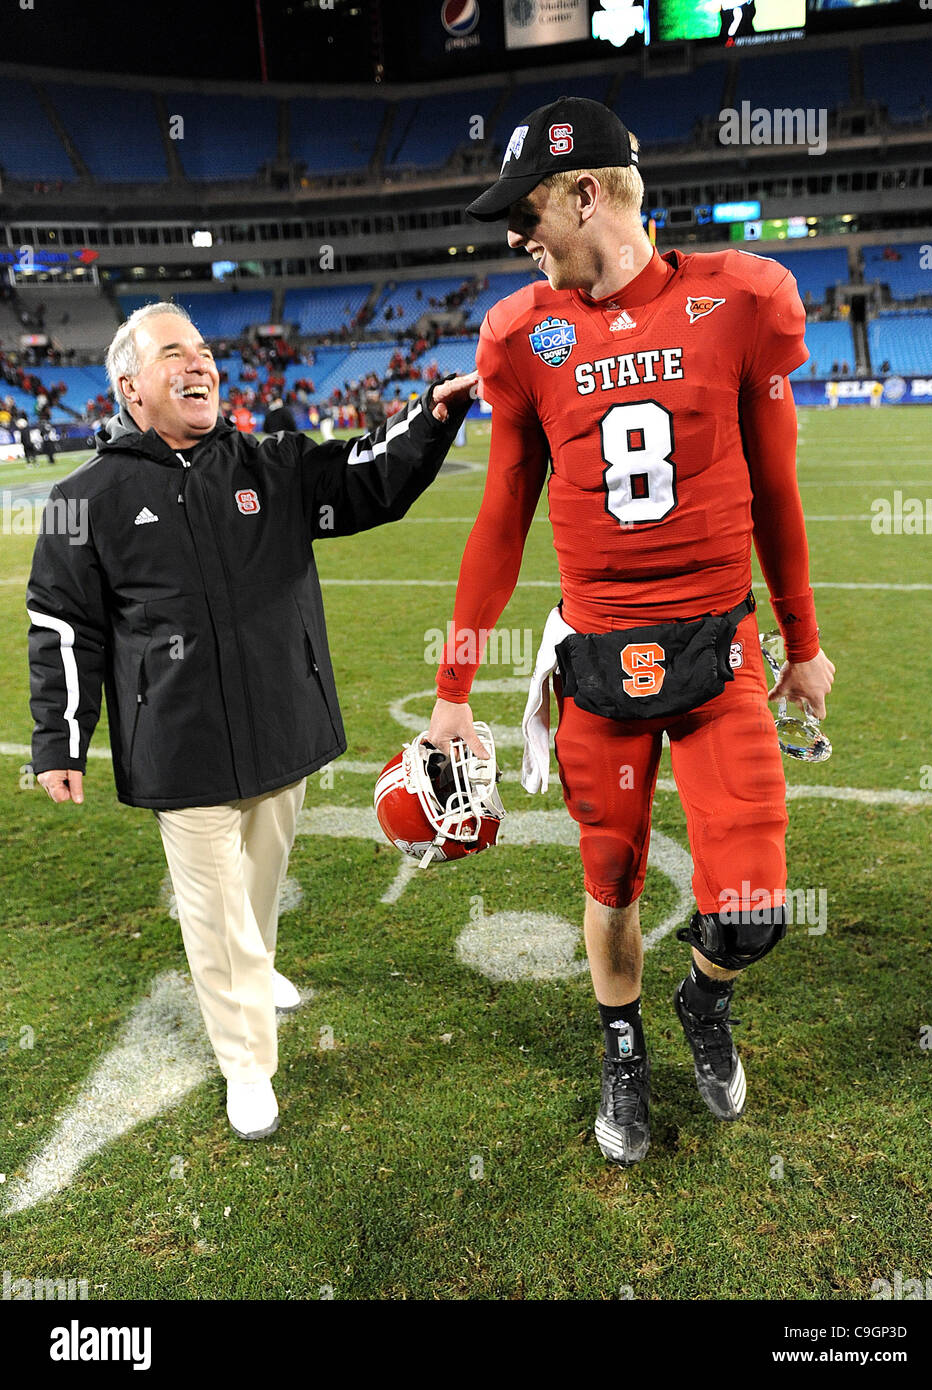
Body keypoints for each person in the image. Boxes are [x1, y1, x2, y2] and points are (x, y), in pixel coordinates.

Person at [427, 97, 834, 1165]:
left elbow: (779, 487)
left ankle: (706, 999)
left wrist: (805, 635)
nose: (516, 238)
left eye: (527, 213)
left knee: (748, 908)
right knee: (607, 883)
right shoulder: (524, 335)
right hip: (596, 661)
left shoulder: (740, 301)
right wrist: (455, 685)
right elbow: (501, 517)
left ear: (586, 194)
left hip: (719, 653)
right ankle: (623, 1046)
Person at [27, 302, 475, 1142]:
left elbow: (363, 479)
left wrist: (432, 418)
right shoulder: (78, 499)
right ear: (130, 385)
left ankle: (257, 968)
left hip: (280, 725)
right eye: (174, 353)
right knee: (214, 910)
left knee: (259, 882)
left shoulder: (270, 463)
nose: (199, 364)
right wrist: (60, 738)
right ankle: (246, 1065)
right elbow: (59, 624)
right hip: (178, 744)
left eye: (203, 349)